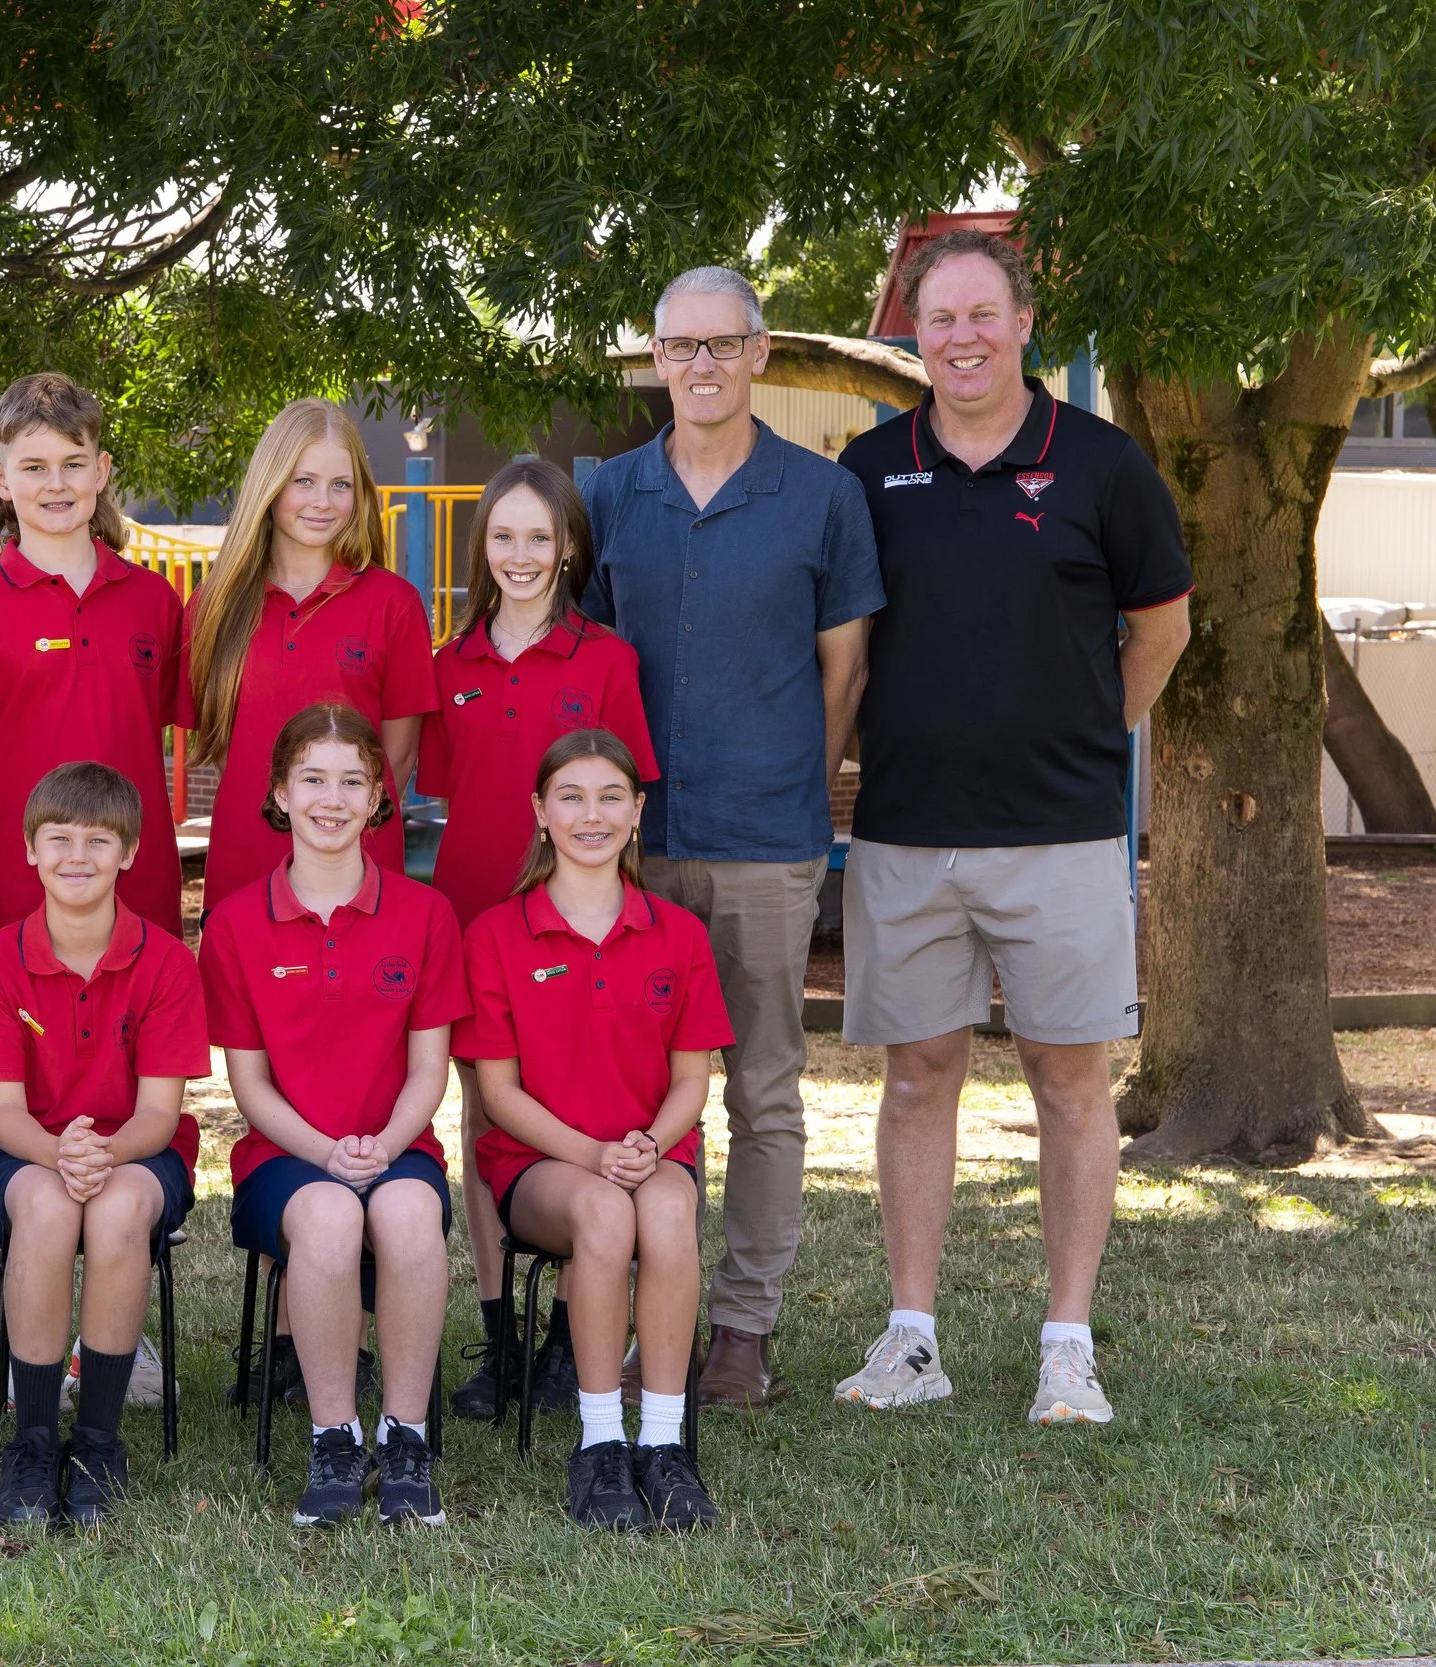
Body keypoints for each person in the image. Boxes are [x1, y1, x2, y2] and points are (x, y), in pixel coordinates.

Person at [832, 229, 1191, 1426]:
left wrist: (1087, 734)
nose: (962, 337)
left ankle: (1066, 1346)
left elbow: (1161, 629)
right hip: (906, 826)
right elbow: (850, 640)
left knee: (1070, 1080)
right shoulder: (870, 466)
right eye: (939, 318)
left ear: (1025, 323)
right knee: (918, 1073)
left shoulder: (1101, 465)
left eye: (983, 314)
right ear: (913, 332)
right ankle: (911, 1337)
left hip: (1061, 832)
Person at [581, 266, 884, 1409]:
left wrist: (796, 787)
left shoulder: (821, 497)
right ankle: (614, 1312)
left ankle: (743, 1326)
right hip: (627, 849)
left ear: (760, 353)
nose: (699, 366)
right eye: (677, 348)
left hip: (766, 839)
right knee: (620, 1087)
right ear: (655, 360)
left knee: (761, 1088)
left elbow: (843, 666)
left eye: (721, 344)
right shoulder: (609, 493)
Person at [417, 459, 657, 1421]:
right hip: (474, 916)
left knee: (576, 1104)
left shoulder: (606, 659)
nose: (521, 556)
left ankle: (570, 1331)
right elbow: (442, 786)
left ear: (569, 548)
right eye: (503, 537)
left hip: (575, 918)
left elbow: (623, 797)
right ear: (484, 547)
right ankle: (499, 1335)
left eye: (539, 537)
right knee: (485, 1118)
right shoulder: (450, 663)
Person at [199, 702, 466, 1529]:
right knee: (324, 1219)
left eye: (353, 780)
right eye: (312, 778)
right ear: (280, 791)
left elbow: (431, 1071)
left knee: (412, 1213)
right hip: (285, 1156)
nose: (332, 797)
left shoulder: (425, 916)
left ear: (380, 794)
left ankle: (409, 1434)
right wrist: (327, 1153)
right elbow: (250, 1088)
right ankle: (334, 1438)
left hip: (398, 1145)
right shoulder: (237, 923)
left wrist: (382, 1146)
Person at [456, 730, 729, 1530]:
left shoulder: (677, 933)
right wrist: (594, 1156)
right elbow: (497, 1094)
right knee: (606, 1212)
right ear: (541, 812)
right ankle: (601, 1443)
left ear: (638, 812)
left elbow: (693, 1078)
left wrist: (645, 1143)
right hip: (542, 1165)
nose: (591, 814)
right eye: (570, 797)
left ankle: (666, 1443)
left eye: (611, 796)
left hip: (651, 1151)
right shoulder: (498, 934)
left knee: (670, 1209)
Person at [0, 762, 210, 1529]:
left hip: (136, 1148)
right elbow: (1, 1111)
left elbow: (161, 1113)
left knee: (119, 1209)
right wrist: (58, 1154)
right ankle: (33, 1439)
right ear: (31, 849)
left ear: (129, 852)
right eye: (58, 838)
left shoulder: (165, 958)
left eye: (98, 840)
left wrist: (104, 1153)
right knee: (44, 1209)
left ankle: (97, 1439)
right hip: (26, 1149)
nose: (77, 855)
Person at [0, 373, 188, 945]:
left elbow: (154, 733)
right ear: (0, 478)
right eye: (34, 466)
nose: (57, 483)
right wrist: (9, 853)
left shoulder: (155, 602)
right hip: (19, 896)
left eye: (74, 463)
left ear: (101, 471)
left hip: (138, 889)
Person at [188, 399, 438, 911]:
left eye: (340, 485)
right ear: (270, 484)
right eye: (303, 481)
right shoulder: (214, 603)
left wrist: (333, 827)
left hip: (357, 869)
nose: (322, 501)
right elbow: (221, 747)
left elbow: (398, 756)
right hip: (244, 868)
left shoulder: (394, 604)